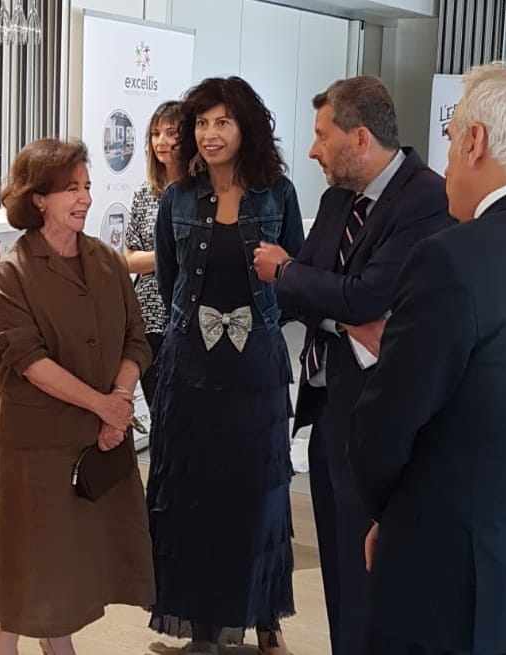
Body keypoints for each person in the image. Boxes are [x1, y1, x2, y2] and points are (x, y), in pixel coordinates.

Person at [349, 63, 506, 655]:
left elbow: (387, 426)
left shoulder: (453, 259)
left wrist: (391, 513)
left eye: (452, 136)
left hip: (454, 585)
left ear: (475, 142)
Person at [253, 75, 453, 655]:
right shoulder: (338, 199)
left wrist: (291, 272)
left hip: (379, 414)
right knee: (339, 570)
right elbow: (314, 297)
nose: (312, 150)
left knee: (371, 576)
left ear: (360, 138)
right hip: (327, 409)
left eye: (322, 135)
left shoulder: (427, 200)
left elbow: (365, 294)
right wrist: (333, 307)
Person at [0, 138, 154, 655]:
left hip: (100, 434)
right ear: (38, 199)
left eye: (87, 187)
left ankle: (55, 641)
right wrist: (105, 407)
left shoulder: (106, 261)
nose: (84, 198)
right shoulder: (13, 274)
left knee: (77, 555)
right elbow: (30, 362)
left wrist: (118, 400)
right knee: (32, 550)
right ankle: (6, 639)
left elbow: (136, 339)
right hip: (38, 440)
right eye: (70, 189)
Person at [148, 76, 304, 655]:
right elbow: (170, 282)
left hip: (256, 366)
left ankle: (265, 617)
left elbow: (294, 276)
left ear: (246, 128)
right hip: (190, 365)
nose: (209, 134)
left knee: (258, 493)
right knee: (194, 493)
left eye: (223, 122)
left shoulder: (278, 194)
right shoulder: (177, 198)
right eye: (201, 123)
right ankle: (203, 626)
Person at [124, 100, 182, 406]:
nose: (161, 141)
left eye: (171, 133)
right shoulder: (144, 194)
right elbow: (128, 260)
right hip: (148, 315)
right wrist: (171, 256)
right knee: (158, 409)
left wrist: (152, 259)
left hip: (185, 313)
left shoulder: (202, 195)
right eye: (156, 134)